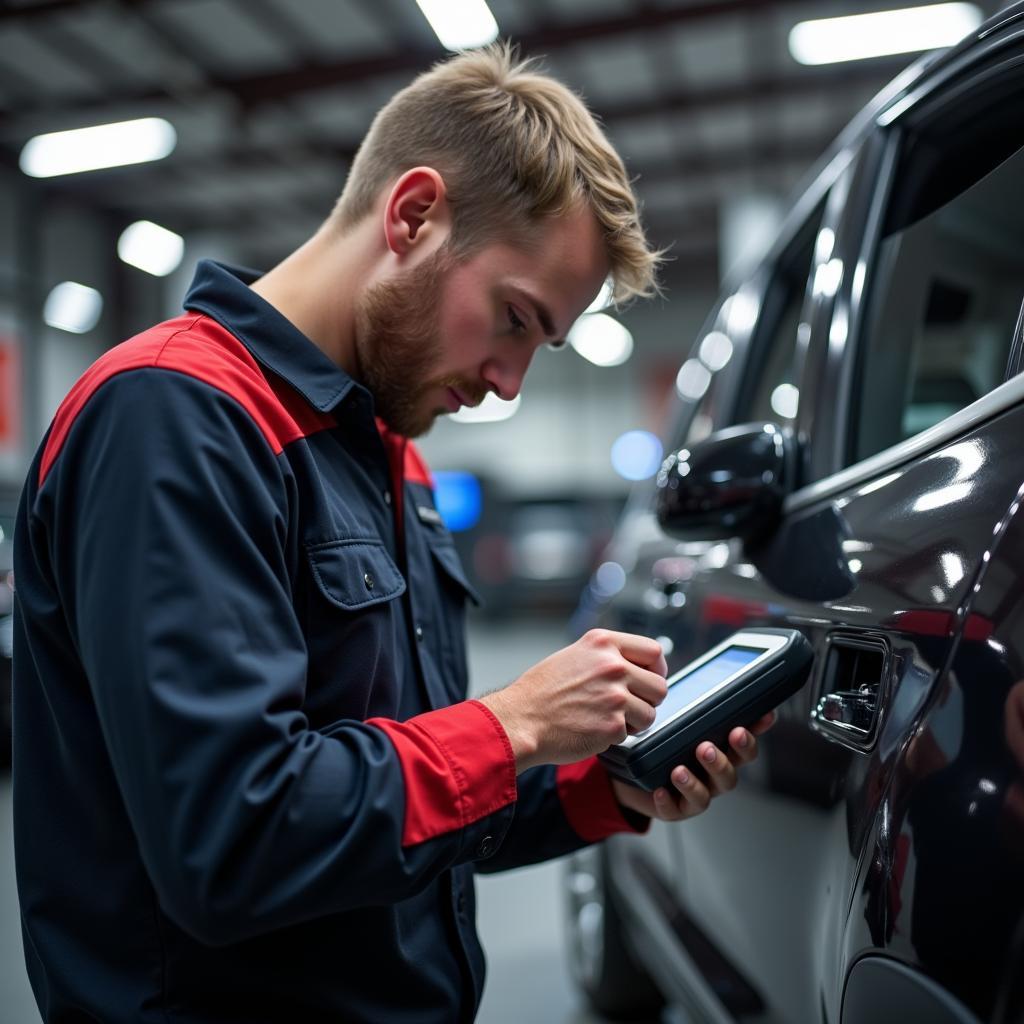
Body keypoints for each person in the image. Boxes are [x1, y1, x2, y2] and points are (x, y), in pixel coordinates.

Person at [12, 44, 773, 1024]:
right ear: (413, 216)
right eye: (511, 319)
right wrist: (513, 723)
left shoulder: (390, 453)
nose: (508, 382)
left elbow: (418, 801)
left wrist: (603, 782)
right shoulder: (174, 417)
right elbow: (232, 843)